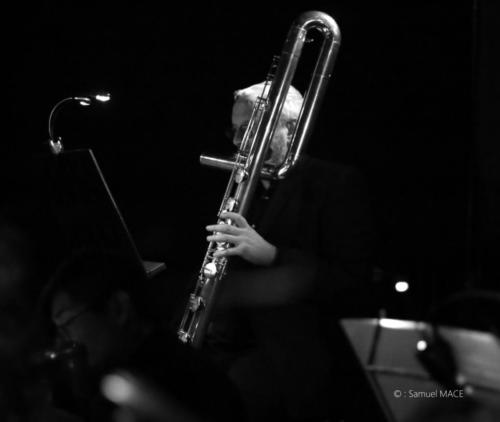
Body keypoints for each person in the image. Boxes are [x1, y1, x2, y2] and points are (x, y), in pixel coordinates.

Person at [203, 82, 375, 422]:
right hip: (238, 346)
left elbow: (354, 286)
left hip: (302, 361)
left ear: (291, 129)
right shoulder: (240, 189)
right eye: (235, 131)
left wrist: (272, 256)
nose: (238, 143)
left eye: (250, 129)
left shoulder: (336, 183)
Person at [42, 251, 245, 422]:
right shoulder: (185, 365)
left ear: (118, 309)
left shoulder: (146, 392)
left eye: (67, 323)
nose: (62, 343)